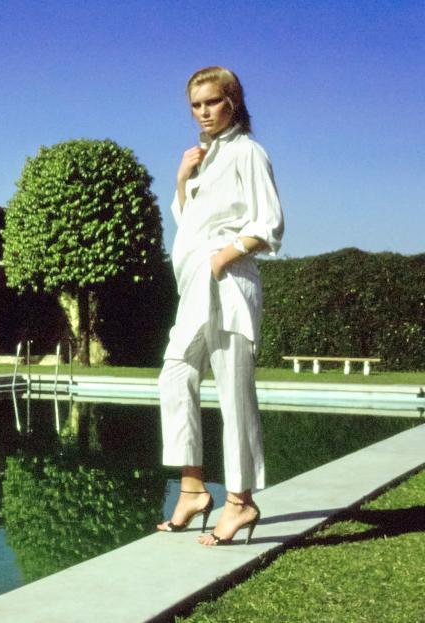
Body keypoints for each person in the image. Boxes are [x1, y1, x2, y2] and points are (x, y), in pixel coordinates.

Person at [156, 67, 284, 546]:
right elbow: (189, 226)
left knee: (234, 394)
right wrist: (182, 178)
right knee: (175, 373)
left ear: (232, 101)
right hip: (195, 288)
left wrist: (221, 260)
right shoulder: (204, 159)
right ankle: (192, 489)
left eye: (211, 102)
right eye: (195, 105)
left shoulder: (249, 152)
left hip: (229, 285)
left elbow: (269, 223)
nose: (203, 112)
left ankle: (240, 501)